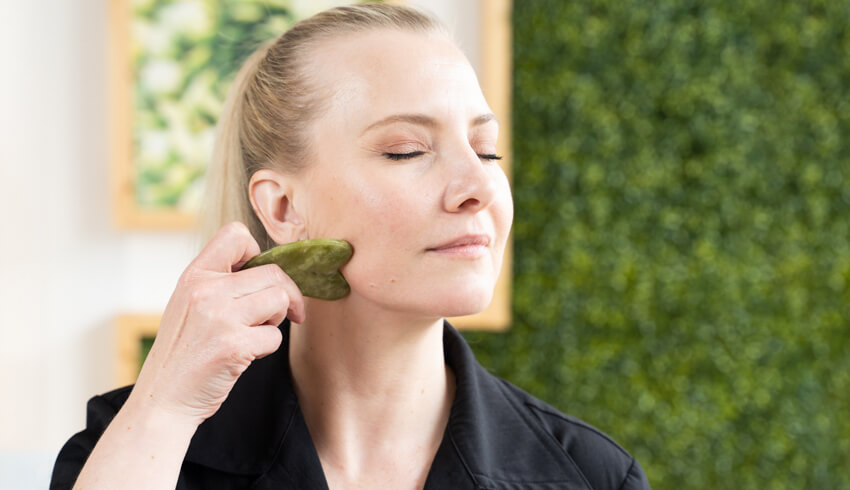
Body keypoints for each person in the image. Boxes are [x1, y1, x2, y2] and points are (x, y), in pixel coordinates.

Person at [51, 3, 650, 489]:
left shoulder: (593, 476)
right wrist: (162, 412)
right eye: (406, 151)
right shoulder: (132, 448)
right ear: (283, 209)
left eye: (486, 150)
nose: (479, 185)